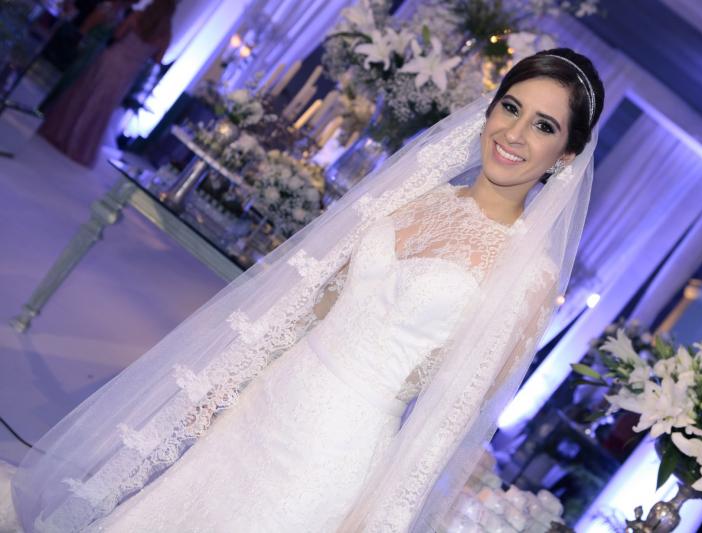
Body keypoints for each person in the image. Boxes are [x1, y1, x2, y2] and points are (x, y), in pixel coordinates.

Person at [8, 48, 605, 532]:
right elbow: (320, 302)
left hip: (334, 454)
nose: (514, 133)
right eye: (511, 107)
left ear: (566, 155)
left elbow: (451, 418)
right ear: (489, 109)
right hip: (269, 399)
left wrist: (379, 519)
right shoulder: (421, 194)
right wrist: (231, 380)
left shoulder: (527, 276)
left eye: (544, 126)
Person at [37, 0, 175, 167]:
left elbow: (118, 34)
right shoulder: (165, 35)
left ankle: (60, 133)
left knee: (84, 93)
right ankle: (79, 147)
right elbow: (157, 60)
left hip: (111, 59)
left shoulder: (137, 16)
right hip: (127, 72)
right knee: (102, 107)